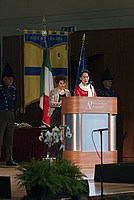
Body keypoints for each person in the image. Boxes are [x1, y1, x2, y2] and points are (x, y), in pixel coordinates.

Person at [0, 64, 17, 166]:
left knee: (9, 138)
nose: (10, 81)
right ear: (4, 79)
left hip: (10, 113)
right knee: (0, 138)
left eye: (11, 79)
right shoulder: (1, 89)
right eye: (8, 79)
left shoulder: (13, 90)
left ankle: (9, 158)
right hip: (1, 113)